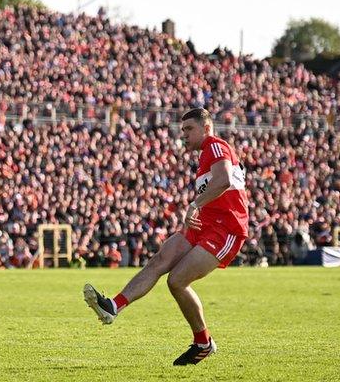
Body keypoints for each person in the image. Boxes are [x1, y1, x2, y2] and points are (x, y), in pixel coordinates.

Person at [83, 107, 250, 366]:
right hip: (203, 223)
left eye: (188, 129)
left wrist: (194, 204)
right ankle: (113, 306)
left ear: (206, 128)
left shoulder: (215, 146)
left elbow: (224, 180)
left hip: (225, 228)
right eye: (182, 130)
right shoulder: (205, 154)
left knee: (176, 280)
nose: (183, 135)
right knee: (159, 260)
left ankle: (203, 343)